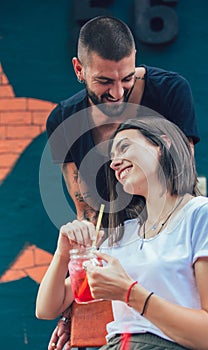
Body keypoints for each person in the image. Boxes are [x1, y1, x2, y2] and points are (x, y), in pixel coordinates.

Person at [45, 15, 199, 349]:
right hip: (111, 259)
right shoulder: (63, 120)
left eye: (126, 78)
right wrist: (74, 309)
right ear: (78, 69)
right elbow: (86, 214)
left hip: (169, 257)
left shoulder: (171, 92)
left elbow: (183, 185)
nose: (117, 92)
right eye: (104, 82)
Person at [36, 116, 208, 349]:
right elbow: (46, 309)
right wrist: (63, 255)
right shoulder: (123, 234)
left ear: (163, 144)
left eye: (124, 147)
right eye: (111, 158)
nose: (114, 163)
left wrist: (129, 293)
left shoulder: (203, 213)